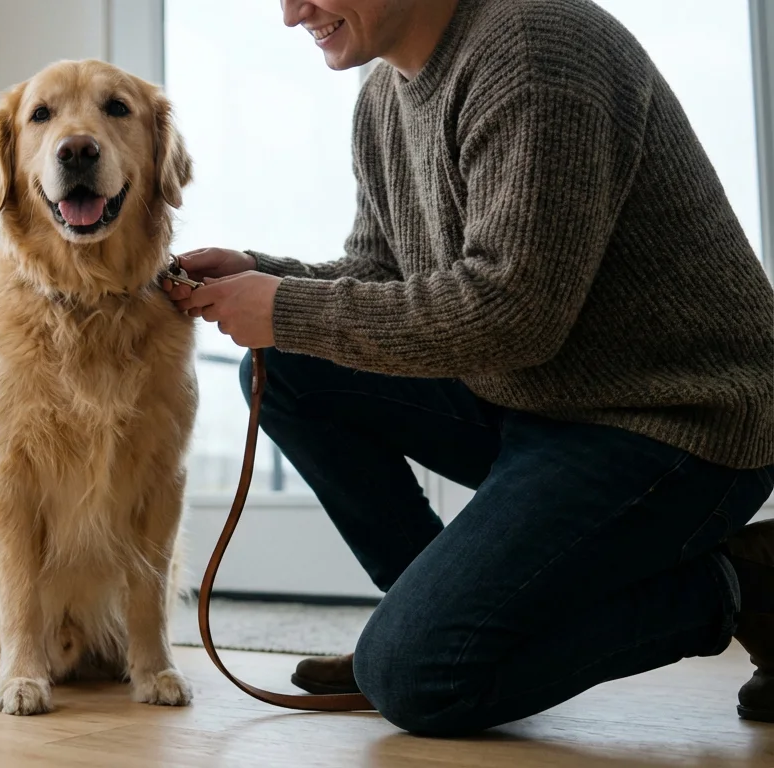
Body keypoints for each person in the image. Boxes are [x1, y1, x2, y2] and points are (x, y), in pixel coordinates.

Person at [162, 0, 774, 737]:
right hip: (542, 401)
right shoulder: (383, 95)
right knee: (289, 364)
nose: (293, 13)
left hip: (672, 422)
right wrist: (265, 276)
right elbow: (380, 274)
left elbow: (514, 312)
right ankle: (433, 611)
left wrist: (285, 306)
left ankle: (746, 583)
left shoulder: (537, 47)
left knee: (420, 679)